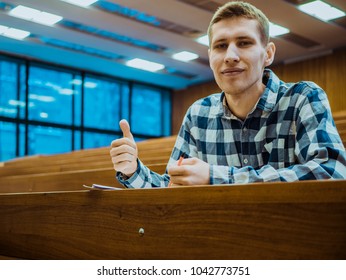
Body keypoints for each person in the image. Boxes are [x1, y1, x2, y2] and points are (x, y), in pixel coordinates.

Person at [110, 1, 346, 188]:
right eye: (221, 46)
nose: (230, 55)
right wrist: (133, 171)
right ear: (210, 55)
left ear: (268, 54)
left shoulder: (303, 98)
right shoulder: (198, 114)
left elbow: (333, 171)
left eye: (244, 43)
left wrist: (216, 177)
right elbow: (174, 186)